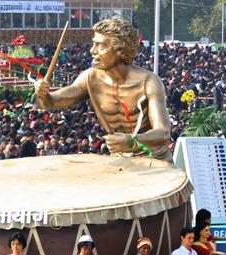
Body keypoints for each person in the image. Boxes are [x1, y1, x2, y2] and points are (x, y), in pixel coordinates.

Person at [34, 17, 172, 161]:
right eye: (94, 44)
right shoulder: (90, 78)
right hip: (120, 159)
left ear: (120, 48)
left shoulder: (149, 82)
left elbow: (163, 133)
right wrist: (42, 93)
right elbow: (49, 103)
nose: (92, 51)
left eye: (100, 46)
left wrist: (131, 141)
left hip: (155, 160)